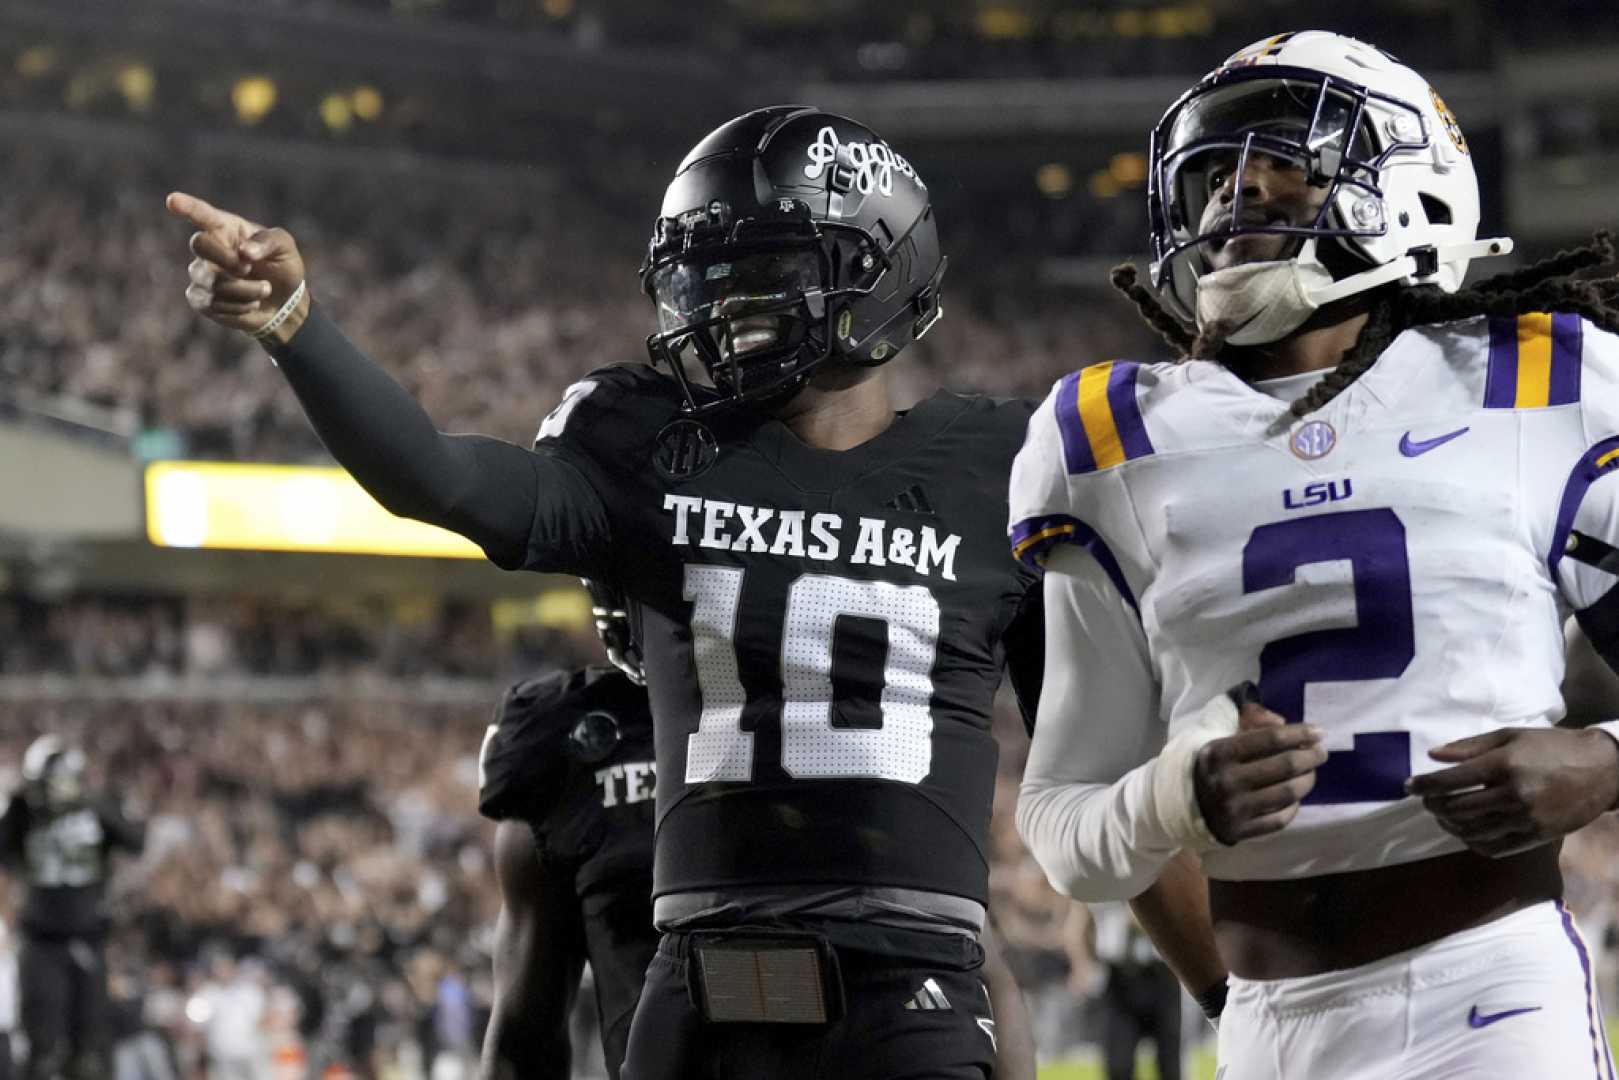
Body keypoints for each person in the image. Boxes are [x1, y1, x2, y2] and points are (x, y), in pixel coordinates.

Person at [168, 105, 1097, 1078]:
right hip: (703, 975)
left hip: (907, 979)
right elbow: (436, 479)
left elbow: (1084, 747)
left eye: (760, 271)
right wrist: (295, 326)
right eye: (704, 275)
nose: (721, 305)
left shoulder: (1002, 464)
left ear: (874, 269)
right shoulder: (654, 446)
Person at [1009, 29, 1619, 1078]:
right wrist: (1173, 799)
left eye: (1280, 169)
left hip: (1493, 989)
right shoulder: (1107, 438)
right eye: (1213, 179)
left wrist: (1602, 761)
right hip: (1267, 1025)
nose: (1231, 201)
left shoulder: (1535, 383)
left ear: (1410, 192)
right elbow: (1063, 821)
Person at [0, 736, 145, 1079]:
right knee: (43, 1044)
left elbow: (136, 839)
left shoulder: (97, 807)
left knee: (91, 1047)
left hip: (88, 938)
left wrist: (96, 805)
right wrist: (20, 803)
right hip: (41, 941)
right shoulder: (25, 814)